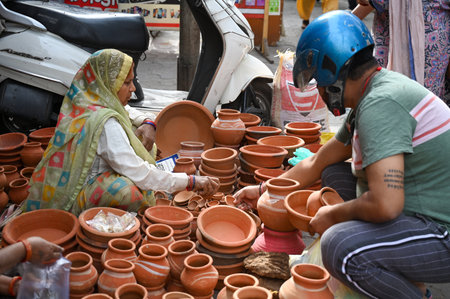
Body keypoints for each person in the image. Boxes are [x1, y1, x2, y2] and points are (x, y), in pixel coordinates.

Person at [234, 11, 450, 298]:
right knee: (334, 172)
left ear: (332, 70)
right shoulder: (375, 92)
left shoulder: (379, 105)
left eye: (317, 81)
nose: (320, 91)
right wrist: (262, 188)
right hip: (425, 213)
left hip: (441, 234)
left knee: (338, 246)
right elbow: (317, 160)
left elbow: (386, 205)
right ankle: (401, 278)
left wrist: (333, 215)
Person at [24, 49, 219, 215]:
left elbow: (126, 111)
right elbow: (140, 174)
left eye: (133, 81)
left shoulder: (85, 101)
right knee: (129, 190)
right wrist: (190, 181)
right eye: (126, 83)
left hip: (65, 185)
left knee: (136, 129)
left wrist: (148, 122)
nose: (133, 89)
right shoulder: (105, 123)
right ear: (108, 84)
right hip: (75, 197)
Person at [352, 0, 450, 104]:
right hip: (390, 38)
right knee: (381, 93)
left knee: (423, 102)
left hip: (429, 43)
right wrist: (349, 19)